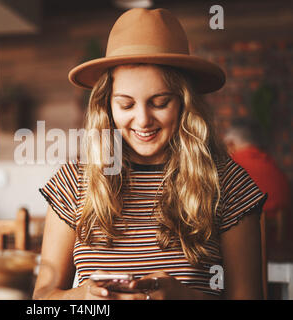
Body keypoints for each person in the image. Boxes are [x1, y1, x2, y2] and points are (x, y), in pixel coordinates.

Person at [34, 8, 267, 300]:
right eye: (126, 105)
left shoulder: (229, 184)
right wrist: (84, 297)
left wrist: (184, 298)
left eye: (159, 102)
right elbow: (42, 301)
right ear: (107, 106)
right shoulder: (73, 182)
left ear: (184, 104)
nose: (143, 120)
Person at [223, 118, 291, 253]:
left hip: (245, 252)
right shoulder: (274, 168)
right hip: (281, 253)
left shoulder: (229, 168)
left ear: (230, 144)